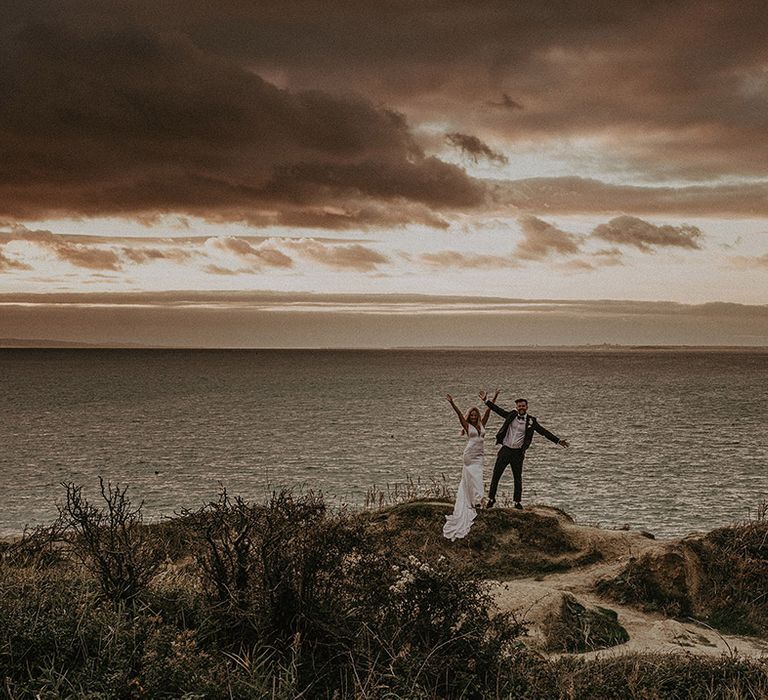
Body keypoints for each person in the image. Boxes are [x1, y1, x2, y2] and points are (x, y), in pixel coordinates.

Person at [479, 392, 569, 510]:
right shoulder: (511, 415)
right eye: (519, 406)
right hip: (505, 450)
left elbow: (544, 432)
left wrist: (558, 441)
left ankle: (517, 502)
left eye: (523, 406)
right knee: (496, 475)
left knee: (517, 478)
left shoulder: (532, 421)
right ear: (516, 407)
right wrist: (486, 401)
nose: (521, 408)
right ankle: (491, 499)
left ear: (527, 407)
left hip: (518, 453)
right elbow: (498, 410)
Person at [443, 390, 497, 541]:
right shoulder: (467, 426)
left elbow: (488, 411)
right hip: (469, 456)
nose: (473, 417)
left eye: (475, 415)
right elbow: (459, 415)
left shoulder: (482, 424)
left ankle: (477, 500)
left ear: (477, 416)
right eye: (471, 415)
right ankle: (477, 501)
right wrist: (452, 403)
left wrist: (493, 398)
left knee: (477, 477)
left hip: (480, 456)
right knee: (472, 477)